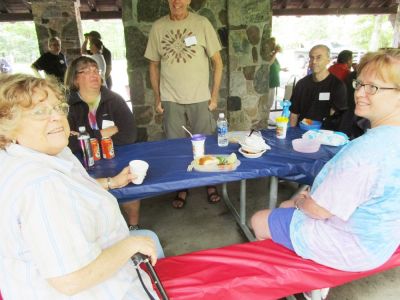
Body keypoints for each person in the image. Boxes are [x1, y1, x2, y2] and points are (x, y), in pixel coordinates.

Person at [0, 74, 163, 299]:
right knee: (148, 239)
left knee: (150, 238)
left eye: (58, 107)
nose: (56, 117)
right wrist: (130, 245)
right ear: (7, 126)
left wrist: (110, 182)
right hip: (101, 291)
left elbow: (72, 190)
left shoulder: (30, 154)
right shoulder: (41, 186)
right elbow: (70, 279)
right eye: (39, 112)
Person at [251, 49, 400, 273]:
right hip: (381, 240)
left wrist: (302, 201)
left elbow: (319, 210)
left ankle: (272, 274)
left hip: (351, 249)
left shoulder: (366, 152)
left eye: (373, 87)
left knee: (259, 219)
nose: (360, 93)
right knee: (285, 207)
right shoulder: (387, 140)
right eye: (359, 84)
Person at [144, 0, 223, 209]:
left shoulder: (202, 23)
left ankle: (210, 183)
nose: (177, 2)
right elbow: (153, 65)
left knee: (206, 142)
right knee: (175, 145)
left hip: (199, 96)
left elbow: (218, 62)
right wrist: (158, 97)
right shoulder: (158, 27)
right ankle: (182, 186)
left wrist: (214, 96)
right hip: (171, 97)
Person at [64, 56, 141, 231]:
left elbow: (129, 135)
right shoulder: (67, 106)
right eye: (87, 71)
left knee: (129, 181)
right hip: (82, 159)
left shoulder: (114, 100)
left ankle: (134, 225)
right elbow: (68, 142)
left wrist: (85, 137)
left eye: (96, 70)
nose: (94, 74)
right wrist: (103, 133)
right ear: (75, 79)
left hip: (117, 155)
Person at [289, 44, 348, 131]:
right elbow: (294, 114)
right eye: (311, 58)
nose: (314, 62)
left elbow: (340, 118)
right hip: (301, 132)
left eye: (319, 57)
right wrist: (290, 135)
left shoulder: (337, 86)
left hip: (325, 135)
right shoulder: (302, 84)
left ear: (328, 60)